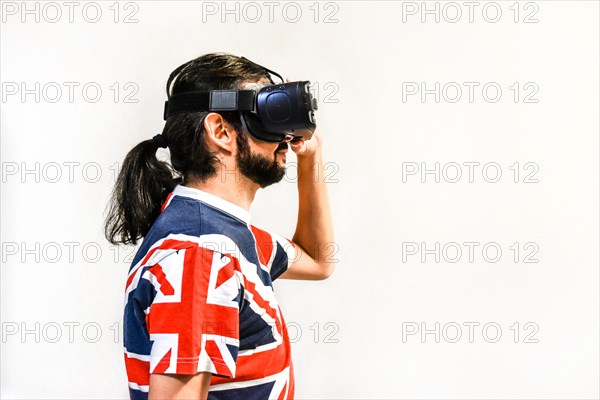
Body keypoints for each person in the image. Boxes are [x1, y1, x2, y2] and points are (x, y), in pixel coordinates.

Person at [104, 53, 335, 400]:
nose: (285, 136)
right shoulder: (201, 254)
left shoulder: (226, 236)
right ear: (221, 131)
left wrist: (311, 156)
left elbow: (318, 260)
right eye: (266, 114)